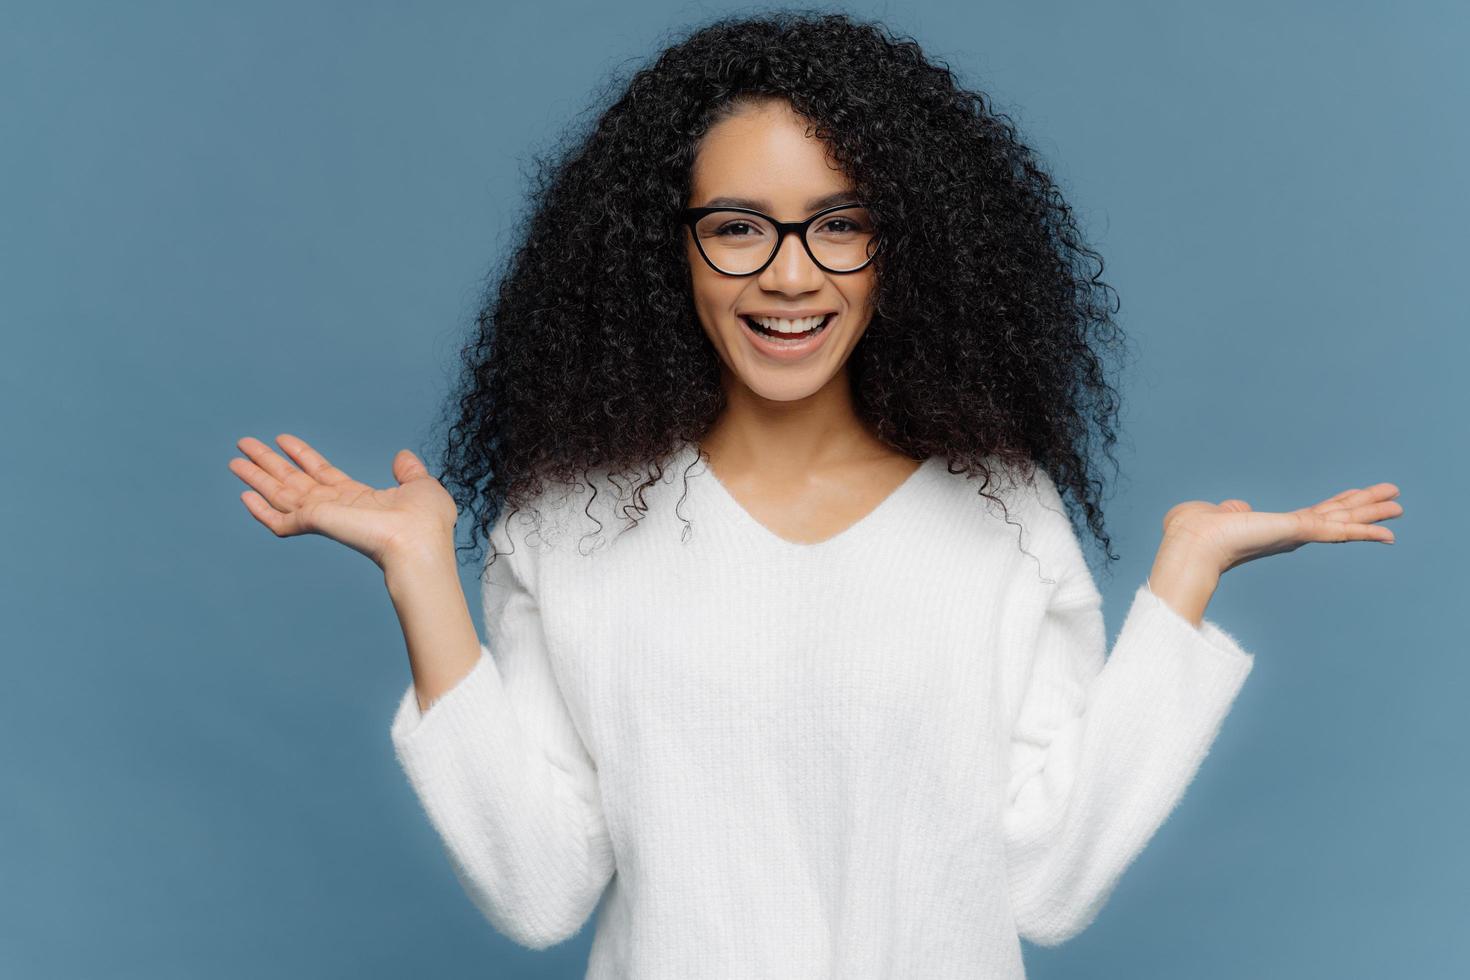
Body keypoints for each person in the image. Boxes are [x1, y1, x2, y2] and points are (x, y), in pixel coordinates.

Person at [226, 11, 1401, 979]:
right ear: (665, 250)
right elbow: (541, 891)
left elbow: (1046, 883)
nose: (791, 273)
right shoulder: (568, 525)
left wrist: (1183, 575)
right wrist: (424, 573)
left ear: (909, 247)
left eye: (841, 225)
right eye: (737, 227)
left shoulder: (1000, 513)